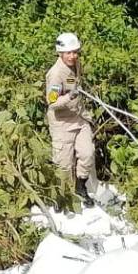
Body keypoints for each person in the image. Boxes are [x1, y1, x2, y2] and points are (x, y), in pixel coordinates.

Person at [44, 31, 96, 207]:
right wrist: (69, 97)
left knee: (87, 153)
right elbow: (52, 103)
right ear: (60, 53)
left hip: (79, 118)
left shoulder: (76, 65)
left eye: (75, 52)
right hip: (62, 123)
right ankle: (61, 197)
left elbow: (75, 81)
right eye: (68, 53)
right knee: (63, 164)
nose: (72, 56)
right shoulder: (55, 74)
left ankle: (81, 187)